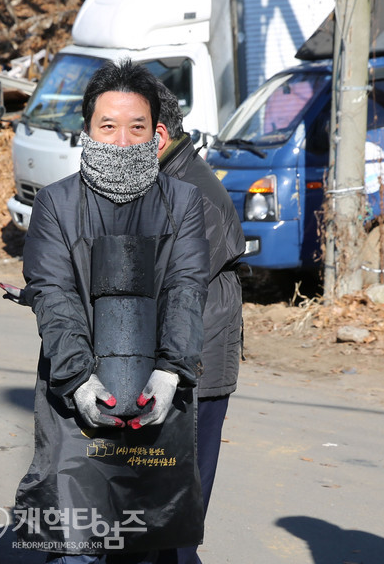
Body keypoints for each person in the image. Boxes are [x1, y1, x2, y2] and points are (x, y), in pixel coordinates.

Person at [14, 58, 210, 559]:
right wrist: (79, 378)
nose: (122, 140)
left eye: (136, 126)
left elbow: (187, 287)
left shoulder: (184, 202)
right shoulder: (57, 203)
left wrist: (170, 373)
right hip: (75, 393)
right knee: (77, 540)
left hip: (158, 397)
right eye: (108, 126)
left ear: (155, 133)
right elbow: (52, 292)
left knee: (153, 542)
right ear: (87, 131)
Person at [155, 88, 245, 563]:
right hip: (172, 355)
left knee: (181, 497)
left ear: (159, 134)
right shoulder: (163, 175)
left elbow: (170, 282)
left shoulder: (194, 194)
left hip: (196, 360)